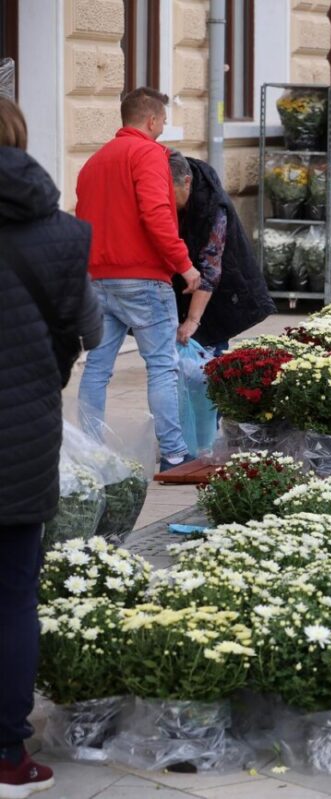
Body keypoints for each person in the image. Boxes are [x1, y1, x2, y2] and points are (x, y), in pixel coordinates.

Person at [0, 97, 102, 797]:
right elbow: (91, 330)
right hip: (21, 437)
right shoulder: (62, 234)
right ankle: (8, 757)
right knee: (11, 597)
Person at [75, 87, 201, 473]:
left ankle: (87, 452)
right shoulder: (148, 153)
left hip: (98, 278)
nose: (163, 128)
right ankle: (175, 454)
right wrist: (184, 265)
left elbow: (82, 219)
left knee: (97, 367)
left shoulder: (94, 161)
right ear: (151, 120)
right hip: (143, 278)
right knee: (162, 365)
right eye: (163, 120)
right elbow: (156, 214)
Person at [167, 151, 274, 353]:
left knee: (208, 350)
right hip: (185, 286)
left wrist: (192, 320)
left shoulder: (213, 207)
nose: (165, 201)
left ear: (187, 182)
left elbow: (210, 269)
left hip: (222, 291)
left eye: (169, 193)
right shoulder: (171, 183)